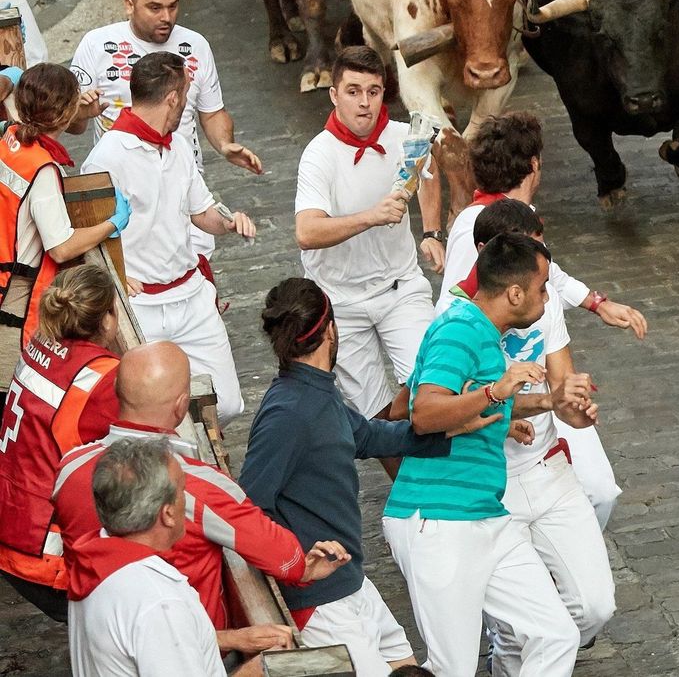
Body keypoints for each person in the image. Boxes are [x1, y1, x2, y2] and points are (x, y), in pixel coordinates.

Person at [53, 342, 350, 646]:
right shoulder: (193, 482)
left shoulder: (69, 466)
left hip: (102, 635)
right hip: (189, 646)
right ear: (181, 406)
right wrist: (303, 567)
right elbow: (281, 554)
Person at [241, 278, 459, 677]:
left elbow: (366, 434)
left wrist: (451, 426)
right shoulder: (287, 413)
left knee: (407, 667)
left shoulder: (317, 391)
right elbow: (250, 506)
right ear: (329, 330)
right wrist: (296, 564)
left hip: (351, 582)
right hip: (321, 602)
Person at [382, 233, 578, 677]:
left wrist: (518, 410)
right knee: (453, 668)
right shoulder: (459, 329)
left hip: (487, 515)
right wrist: (497, 390)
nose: (547, 298)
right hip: (438, 520)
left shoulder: (485, 336)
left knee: (556, 635)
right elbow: (422, 411)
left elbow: (460, 403)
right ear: (514, 293)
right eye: (543, 287)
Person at [436, 113, 642, 527]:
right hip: (499, 384)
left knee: (600, 490)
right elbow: (456, 309)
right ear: (533, 165)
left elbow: (552, 275)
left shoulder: (519, 216)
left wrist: (597, 303)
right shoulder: (473, 230)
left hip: (541, 378)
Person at [455, 201, 615, 671]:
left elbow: (561, 392)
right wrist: (524, 405)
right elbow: (452, 405)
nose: (550, 297)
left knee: (594, 606)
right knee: (514, 633)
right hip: (491, 483)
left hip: (547, 469)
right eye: (542, 285)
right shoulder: (456, 319)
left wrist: (578, 409)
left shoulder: (543, 308)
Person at [83, 53, 255, 423]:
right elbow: (86, 238)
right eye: (187, 94)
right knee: (151, 415)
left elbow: (201, 211)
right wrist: (113, 276)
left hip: (192, 298)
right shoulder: (105, 159)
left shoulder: (177, 145)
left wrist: (227, 221)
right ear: (173, 98)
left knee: (227, 403)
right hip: (141, 308)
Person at [295, 45, 444, 418]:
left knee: (435, 387)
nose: (365, 103)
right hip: (341, 302)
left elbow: (427, 172)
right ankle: (406, 476)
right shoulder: (318, 155)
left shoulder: (403, 136)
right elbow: (307, 232)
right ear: (334, 95)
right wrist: (371, 216)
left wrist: (431, 232)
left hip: (400, 288)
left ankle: (433, 465)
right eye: (353, 91)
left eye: (373, 92)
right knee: (374, 415)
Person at [0, 267, 121, 621]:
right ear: (107, 320)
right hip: (45, 554)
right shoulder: (101, 378)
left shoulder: (39, 343)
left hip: (10, 524)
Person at [71, 0, 261, 177]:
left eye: (173, 6)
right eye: (155, 8)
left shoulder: (196, 45)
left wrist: (225, 145)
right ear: (129, 5)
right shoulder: (96, 45)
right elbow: (73, 125)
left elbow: (212, 113)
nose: (166, 18)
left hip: (184, 178)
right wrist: (79, 114)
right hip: (121, 180)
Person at [65, 440, 225, 677]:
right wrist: (256, 670)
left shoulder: (95, 560)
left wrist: (235, 639)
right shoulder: (159, 602)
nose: (186, 499)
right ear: (168, 514)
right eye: (182, 491)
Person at [0, 63, 125, 344]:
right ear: (67, 113)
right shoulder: (43, 169)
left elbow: (42, 128)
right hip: (13, 295)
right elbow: (61, 248)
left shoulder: (11, 136)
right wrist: (111, 223)